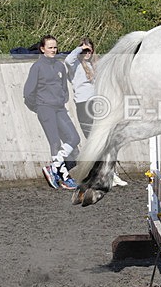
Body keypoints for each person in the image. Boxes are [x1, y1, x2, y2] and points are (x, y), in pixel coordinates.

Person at [64, 36, 127, 187]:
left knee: (105, 139)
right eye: (84, 49)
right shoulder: (75, 65)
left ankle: (111, 173)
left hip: (97, 104)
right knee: (93, 141)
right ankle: (97, 174)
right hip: (83, 104)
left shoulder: (95, 64)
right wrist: (81, 49)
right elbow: (67, 60)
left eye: (89, 49)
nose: (87, 52)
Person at [23, 35, 81, 190]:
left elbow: (63, 87)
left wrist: (62, 99)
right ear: (42, 49)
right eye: (50, 47)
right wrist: (38, 107)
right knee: (55, 142)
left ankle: (54, 168)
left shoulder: (60, 66)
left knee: (74, 138)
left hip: (59, 107)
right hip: (45, 108)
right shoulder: (37, 67)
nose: (53, 50)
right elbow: (28, 93)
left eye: (55, 47)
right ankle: (65, 177)